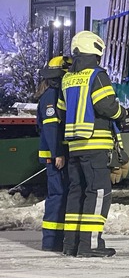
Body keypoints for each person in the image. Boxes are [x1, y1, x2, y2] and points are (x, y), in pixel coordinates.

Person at [58, 31, 127, 257]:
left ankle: (72, 244)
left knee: (76, 193)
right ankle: (91, 245)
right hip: (95, 144)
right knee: (98, 193)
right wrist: (123, 113)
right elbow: (107, 106)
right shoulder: (97, 75)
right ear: (95, 51)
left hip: (74, 147)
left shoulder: (67, 78)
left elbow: (61, 112)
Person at [36, 55, 72, 252]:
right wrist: (58, 153)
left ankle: (56, 240)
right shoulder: (51, 96)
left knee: (62, 195)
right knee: (57, 195)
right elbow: (50, 129)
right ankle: (50, 241)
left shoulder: (56, 94)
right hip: (55, 157)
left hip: (58, 155)